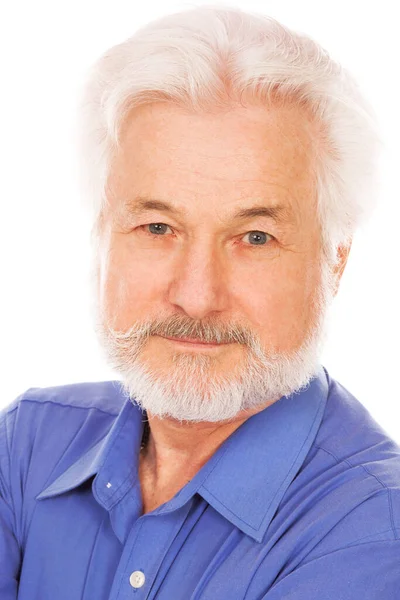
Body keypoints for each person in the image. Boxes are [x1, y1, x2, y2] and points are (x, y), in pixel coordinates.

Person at [1, 5, 399, 599]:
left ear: (335, 259)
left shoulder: (370, 532)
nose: (196, 296)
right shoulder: (27, 443)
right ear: (100, 236)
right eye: (158, 227)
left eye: (255, 237)